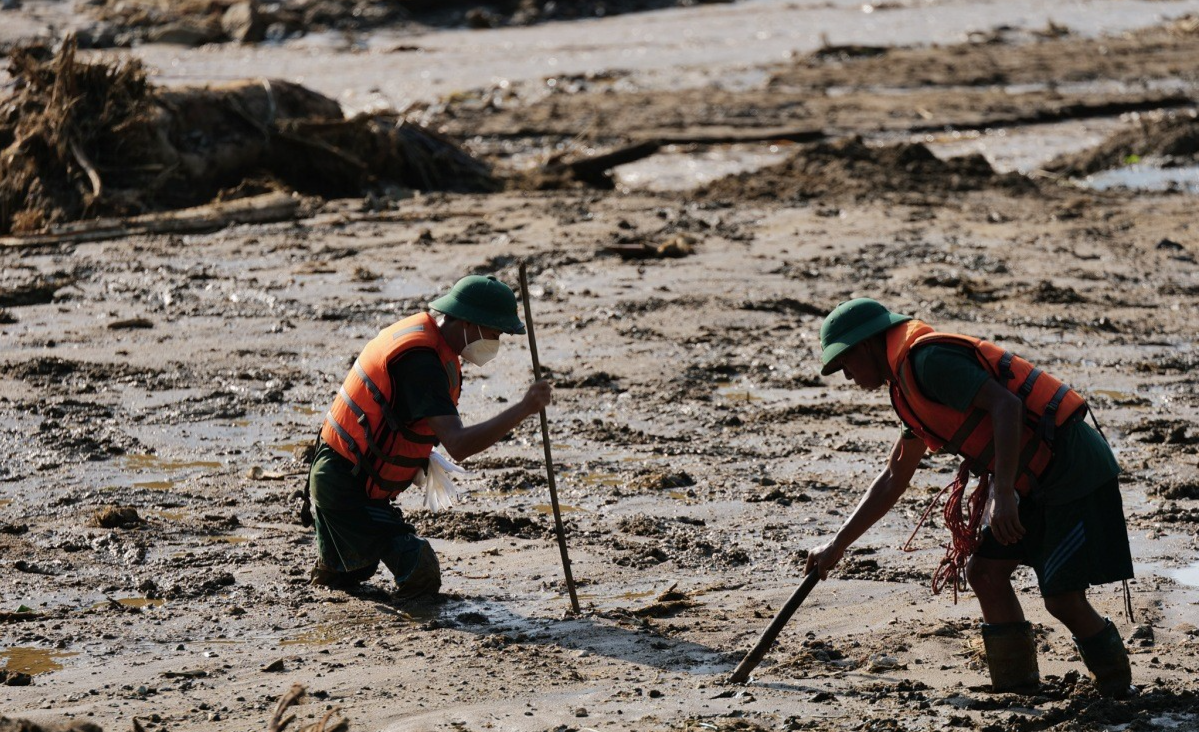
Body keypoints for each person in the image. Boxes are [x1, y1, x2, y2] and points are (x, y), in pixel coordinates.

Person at [804, 298, 1134, 697]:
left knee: (1062, 599)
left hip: (1070, 469)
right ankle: (1017, 691)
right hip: (1029, 478)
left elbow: (1007, 406)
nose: (847, 375)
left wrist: (1004, 491)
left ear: (867, 344)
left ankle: (1118, 691)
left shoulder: (928, 362)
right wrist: (838, 544)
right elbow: (894, 476)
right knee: (985, 573)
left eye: (845, 362)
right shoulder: (905, 387)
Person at [307, 274, 552, 599]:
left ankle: (335, 567)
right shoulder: (421, 363)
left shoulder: (435, 346)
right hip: (342, 484)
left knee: (353, 570)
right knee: (419, 569)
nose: (497, 341)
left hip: (349, 476)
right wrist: (524, 408)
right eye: (495, 332)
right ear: (468, 322)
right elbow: (459, 444)